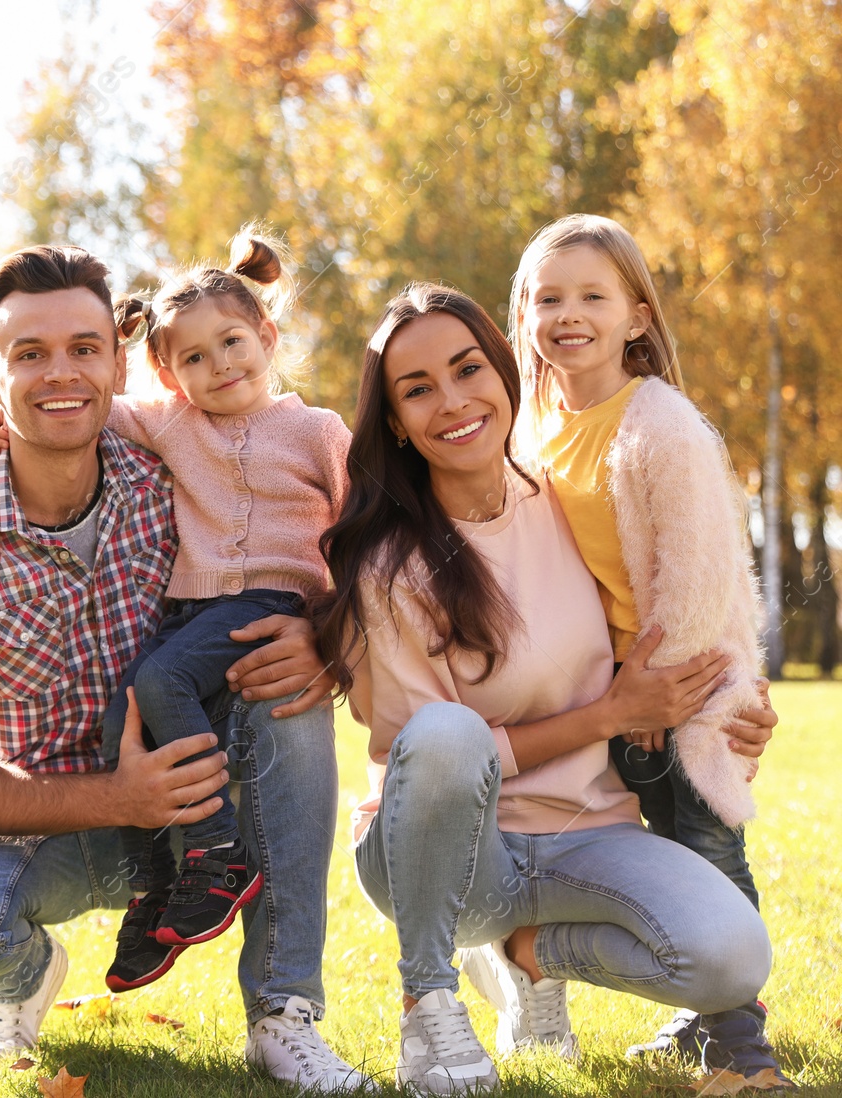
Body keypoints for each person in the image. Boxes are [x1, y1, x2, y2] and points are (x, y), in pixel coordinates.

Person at [0, 244, 367, 1092]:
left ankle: (283, 1015)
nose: (60, 374)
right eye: (29, 354)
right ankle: (23, 975)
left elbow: (332, 534)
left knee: (282, 681)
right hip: (45, 830)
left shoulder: (170, 476)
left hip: (202, 798)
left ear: (120, 365)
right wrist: (118, 797)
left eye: (83, 349)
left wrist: (333, 642)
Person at [314, 282, 778, 1093]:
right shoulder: (390, 570)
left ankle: (527, 956)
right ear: (393, 422)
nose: (452, 402)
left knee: (733, 957)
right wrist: (609, 715)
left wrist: (733, 698)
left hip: (588, 835)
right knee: (448, 734)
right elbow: (428, 764)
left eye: (468, 370)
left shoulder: (565, 500)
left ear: (504, 374)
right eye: (417, 390)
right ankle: (429, 1003)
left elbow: (668, 608)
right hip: (451, 861)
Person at [0, 226, 349, 992]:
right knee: (127, 720)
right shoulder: (172, 424)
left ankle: (216, 852)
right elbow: (79, 407)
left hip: (270, 599)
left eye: (233, 343)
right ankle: (155, 889)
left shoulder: (317, 431)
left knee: (160, 686)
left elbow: (367, 530)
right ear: (165, 370)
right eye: (193, 358)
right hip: (191, 612)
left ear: (268, 335)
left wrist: (337, 624)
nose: (219, 367)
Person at [506, 214, 790, 1085]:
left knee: (704, 853)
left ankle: (742, 1048)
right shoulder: (537, 429)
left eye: (593, 295)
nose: (568, 315)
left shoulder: (658, 424)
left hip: (679, 690)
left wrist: (670, 703)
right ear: (523, 314)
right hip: (609, 698)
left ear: (637, 316)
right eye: (548, 297)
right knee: (666, 852)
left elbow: (703, 577)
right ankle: (706, 1021)